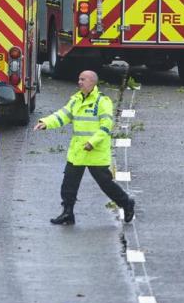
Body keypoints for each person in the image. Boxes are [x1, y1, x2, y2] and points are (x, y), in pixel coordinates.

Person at [33, 70, 134, 225]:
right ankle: (67, 213)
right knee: (68, 184)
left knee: (105, 184)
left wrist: (92, 142)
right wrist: (45, 122)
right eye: (79, 79)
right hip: (78, 151)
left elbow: (106, 126)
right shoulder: (76, 100)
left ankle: (126, 203)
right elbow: (62, 115)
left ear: (92, 82)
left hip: (95, 152)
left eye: (83, 79)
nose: (79, 82)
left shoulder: (102, 102)